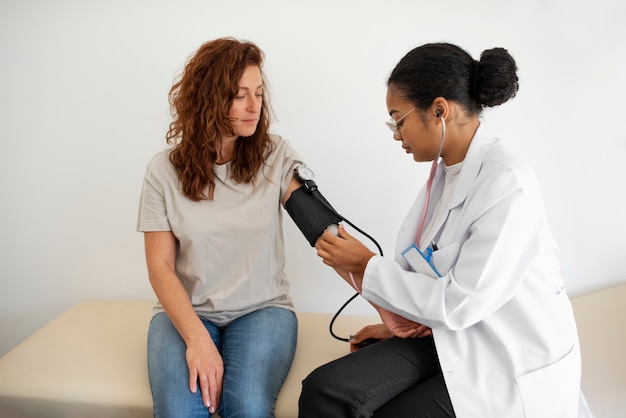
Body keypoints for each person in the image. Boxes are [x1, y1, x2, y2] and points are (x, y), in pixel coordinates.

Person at [299, 43, 593, 417]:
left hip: (507, 358)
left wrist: (368, 265)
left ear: (439, 110)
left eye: (398, 119)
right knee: (324, 391)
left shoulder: (508, 183)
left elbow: (460, 302)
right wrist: (397, 324)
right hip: (447, 333)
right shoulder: (444, 175)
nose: (395, 134)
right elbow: (429, 272)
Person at [137, 38, 305, 418]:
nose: (254, 106)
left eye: (259, 93)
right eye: (239, 94)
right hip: (187, 311)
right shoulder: (162, 172)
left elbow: (322, 230)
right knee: (180, 413)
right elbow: (159, 266)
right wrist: (197, 339)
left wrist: (383, 299)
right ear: (208, 99)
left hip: (263, 310)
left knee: (245, 407)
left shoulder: (275, 156)